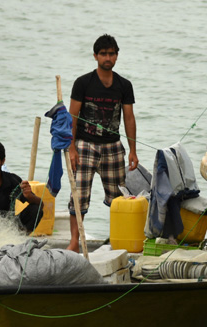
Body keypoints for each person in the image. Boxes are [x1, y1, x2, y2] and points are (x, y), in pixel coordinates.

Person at [67, 34, 138, 252]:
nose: (108, 58)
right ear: (95, 56)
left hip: (113, 147)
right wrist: (71, 148)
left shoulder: (124, 85)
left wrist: (133, 150)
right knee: (79, 194)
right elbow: (72, 117)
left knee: (119, 197)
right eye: (103, 54)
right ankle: (75, 241)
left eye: (111, 54)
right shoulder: (83, 83)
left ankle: (119, 238)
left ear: (117, 56)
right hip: (85, 145)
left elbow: (129, 118)